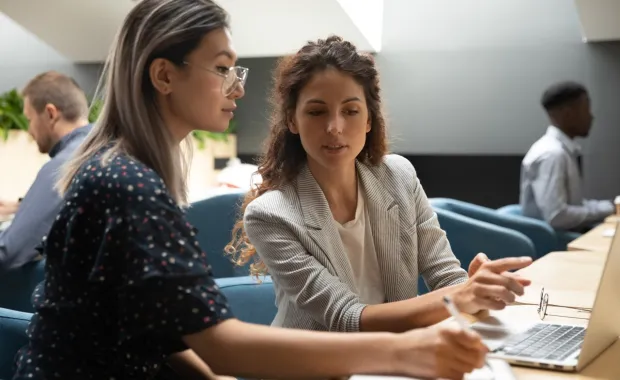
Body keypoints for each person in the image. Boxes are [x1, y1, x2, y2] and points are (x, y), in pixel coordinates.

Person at [13, 1, 488, 380]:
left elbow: (165, 328)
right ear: (163, 76)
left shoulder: (124, 172)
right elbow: (220, 345)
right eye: (223, 69)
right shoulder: (128, 185)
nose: (237, 89)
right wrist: (404, 353)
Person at [228, 36, 532, 334]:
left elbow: (444, 276)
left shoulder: (399, 176)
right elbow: (345, 317)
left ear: (369, 119)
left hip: (401, 359)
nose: (335, 127)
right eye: (317, 111)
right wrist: (459, 296)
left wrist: (472, 289)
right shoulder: (270, 214)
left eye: (350, 110)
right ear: (292, 120)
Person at [0, 71, 91, 272]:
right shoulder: (102, 149)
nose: (30, 130)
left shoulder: (66, 164)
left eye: (30, 119)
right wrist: (20, 207)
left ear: (50, 113)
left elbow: (10, 251)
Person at [521, 81, 615, 232]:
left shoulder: (561, 151)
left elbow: (573, 205)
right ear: (568, 113)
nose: (592, 116)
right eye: (586, 109)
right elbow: (557, 216)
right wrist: (608, 209)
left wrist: (611, 206)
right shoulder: (552, 155)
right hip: (555, 245)